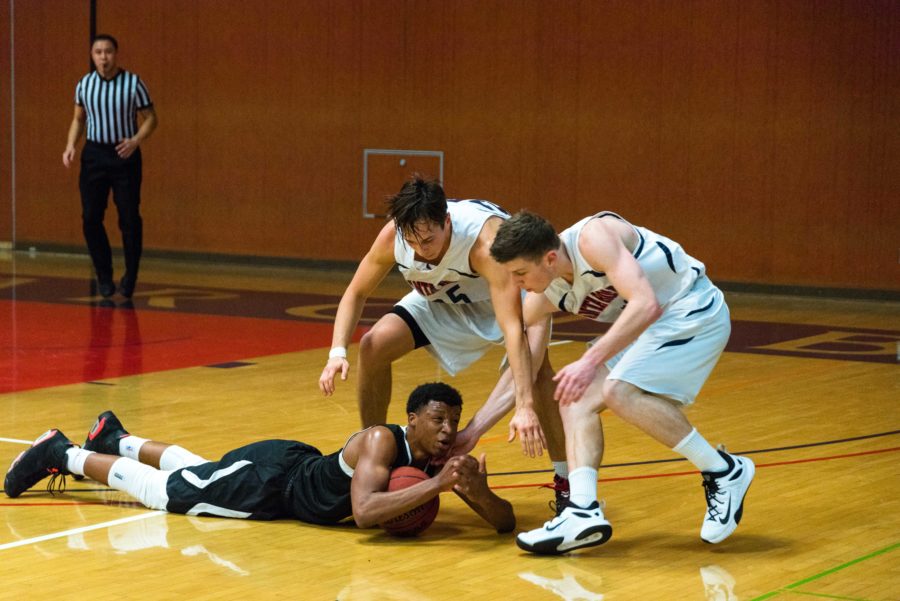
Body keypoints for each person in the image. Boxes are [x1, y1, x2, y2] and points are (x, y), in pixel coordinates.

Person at [488, 210, 755, 554]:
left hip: (692, 308)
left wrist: (589, 360)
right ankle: (582, 511)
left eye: (521, 273)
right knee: (573, 396)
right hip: (652, 328)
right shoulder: (545, 290)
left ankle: (723, 471)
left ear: (550, 258)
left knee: (617, 391)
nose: (517, 283)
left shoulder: (592, 239)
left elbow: (646, 303)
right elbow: (524, 348)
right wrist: (522, 407)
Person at [317, 175, 569, 508]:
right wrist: (337, 352)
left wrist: (521, 407)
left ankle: (568, 484)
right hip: (444, 300)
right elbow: (356, 291)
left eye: (428, 240)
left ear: (446, 221)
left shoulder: (484, 242)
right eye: (413, 242)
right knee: (373, 345)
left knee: (536, 374)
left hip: (505, 301)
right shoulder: (396, 235)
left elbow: (510, 328)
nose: (420, 250)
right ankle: (375, 454)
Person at [3, 383, 515, 532]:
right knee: (169, 494)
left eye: (454, 420)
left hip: (289, 469)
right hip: (274, 485)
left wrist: (477, 490)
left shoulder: (441, 457)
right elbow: (364, 515)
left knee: (196, 470)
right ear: (412, 420)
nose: (449, 430)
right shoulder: (384, 441)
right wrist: (438, 486)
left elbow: (502, 523)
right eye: (438, 420)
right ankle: (63, 452)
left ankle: (115, 438)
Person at [63, 34, 158, 299]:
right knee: (91, 217)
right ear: (92, 56)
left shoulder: (133, 83)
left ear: (116, 54)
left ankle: (130, 276)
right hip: (94, 154)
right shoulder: (84, 84)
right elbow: (78, 119)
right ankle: (104, 276)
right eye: (98, 52)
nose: (103, 57)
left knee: (128, 218)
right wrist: (71, 145)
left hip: (124, 153)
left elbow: (152, 118)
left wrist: (136, 140)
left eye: (108, 52)